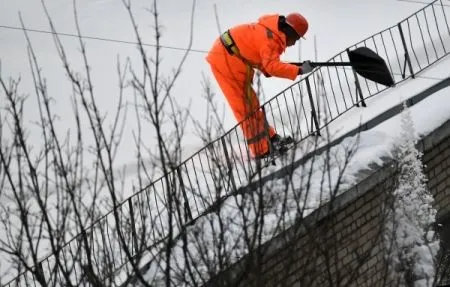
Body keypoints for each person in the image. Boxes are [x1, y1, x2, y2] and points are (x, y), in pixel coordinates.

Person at [206, 13, 313, 160]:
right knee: (245, 109)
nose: (294, 43)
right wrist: (299, 70)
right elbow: (272, 67)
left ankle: (271, 139)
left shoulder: (271, 31)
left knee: (252, 104)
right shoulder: (271, 39)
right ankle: (262, 150)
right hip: (225, 61)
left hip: (232, 57)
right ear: (290, 31)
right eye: (296, 39)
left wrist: (296, 67)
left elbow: (267, 63)